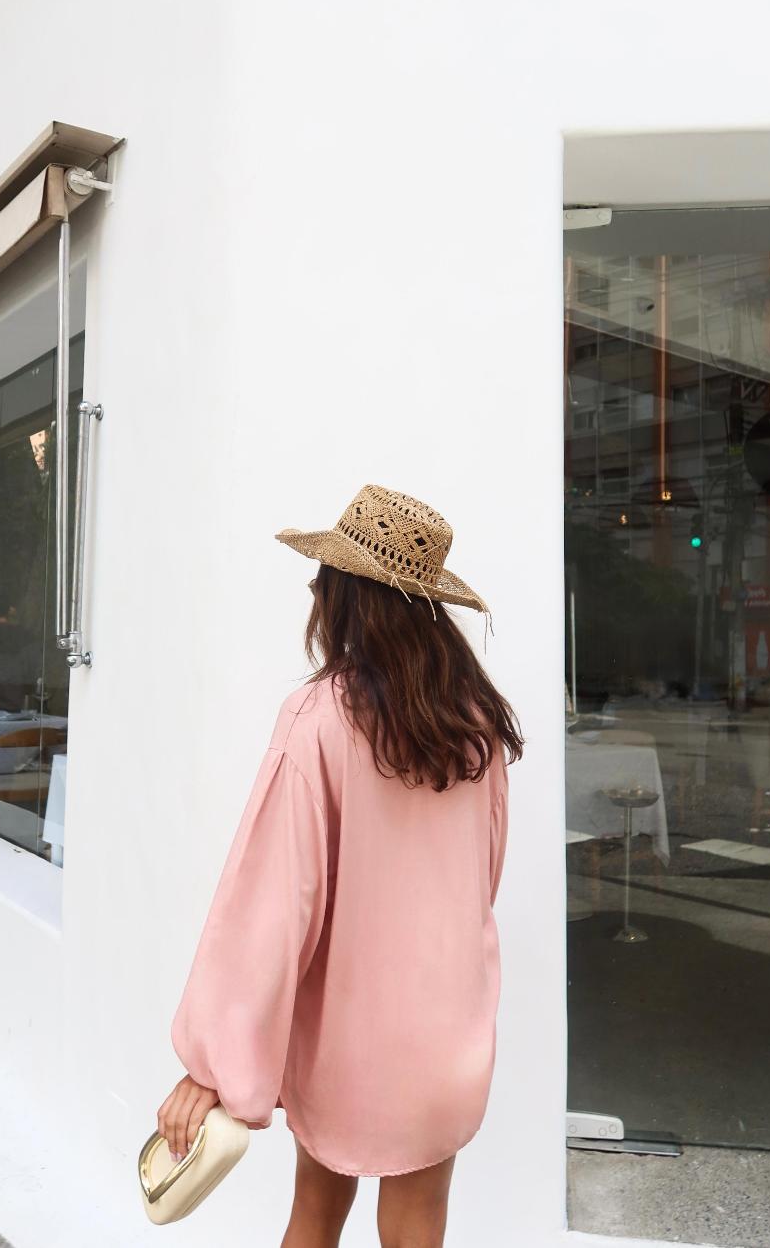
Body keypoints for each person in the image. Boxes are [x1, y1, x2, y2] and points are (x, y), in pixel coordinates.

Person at [159, 484, 523, 1248]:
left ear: (347, 594)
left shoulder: (321, 717)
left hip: (349, 1045)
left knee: (316, 1218)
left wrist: (213, 1062)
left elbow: (270, 907)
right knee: (418, 1228)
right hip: (448, 1035)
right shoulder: (477, 725)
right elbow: (480, 881)